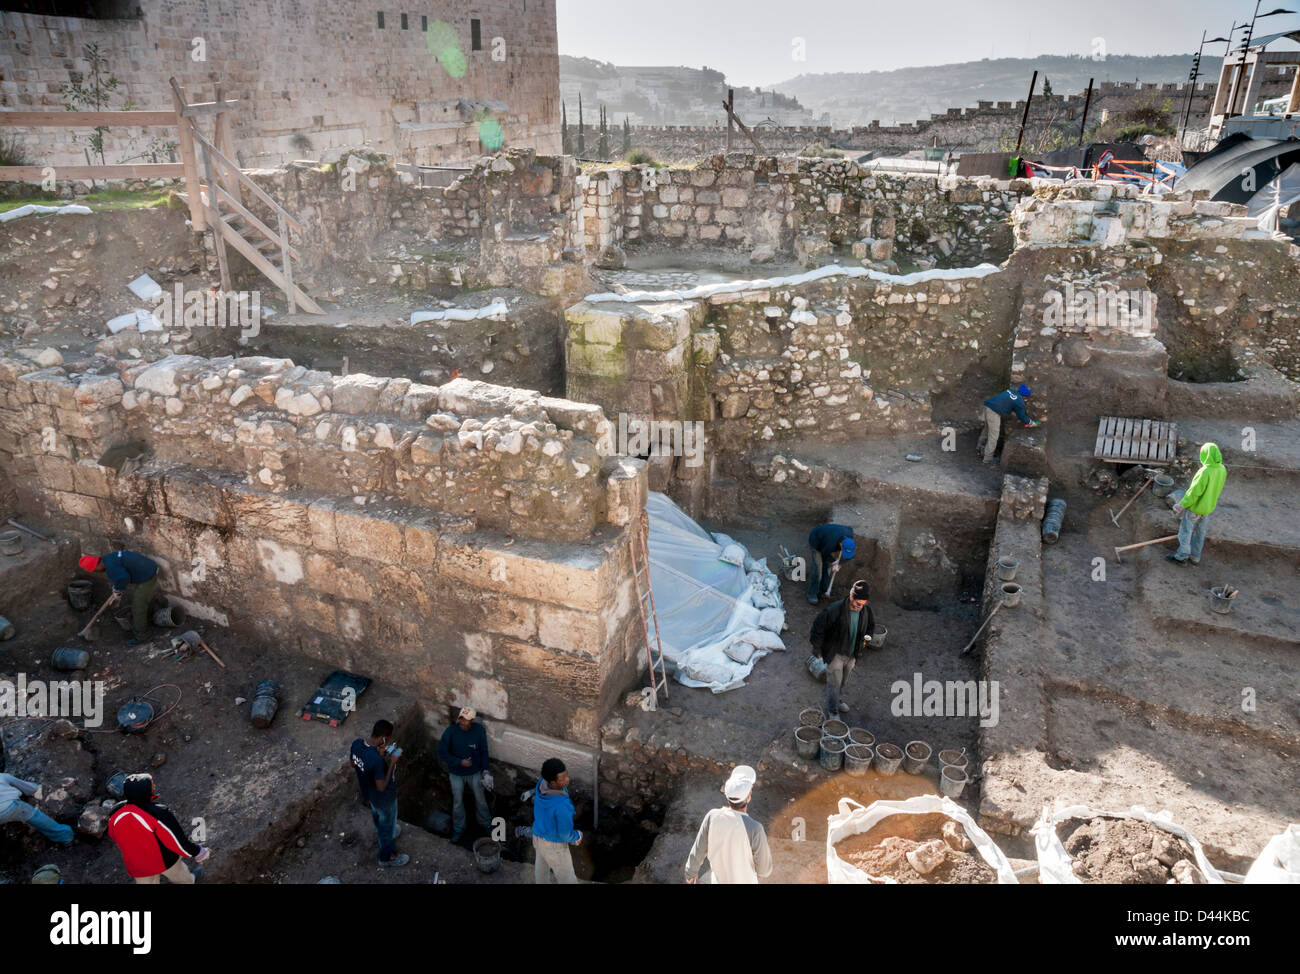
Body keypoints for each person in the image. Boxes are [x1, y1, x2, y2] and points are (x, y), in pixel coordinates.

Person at [107, 773, 209, 884]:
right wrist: (198, 852)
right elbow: (177, 841)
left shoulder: (115, 815)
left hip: (138, 867)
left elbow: (115, 836)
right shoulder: (157, 813)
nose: (154, 786)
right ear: (144, 792)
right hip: (164, 861)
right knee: (181, 876)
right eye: (152, 785)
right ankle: (190, 881)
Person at [684, 765, 773, 884]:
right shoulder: (755, 828)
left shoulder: (712, 816)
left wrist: (691, 873)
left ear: (727, 796)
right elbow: (764, 871)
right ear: (749, 798)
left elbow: (698, 850)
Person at [810, 579, 875, 718]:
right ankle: (832, 711)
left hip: (852, 654)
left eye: (863, 605)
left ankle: (838, 701)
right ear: (851, 597)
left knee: (843, 681)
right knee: (834, 683)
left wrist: (867, 637)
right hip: (836, 653)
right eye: (858, 604)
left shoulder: (865, 610)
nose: (860, 607)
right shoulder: (835, 610)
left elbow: (870, 626)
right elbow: (818, 627)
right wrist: (817, 647)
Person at [350, 719, 408, 867]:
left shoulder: (357, 744)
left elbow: (353, 764)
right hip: (384, 798)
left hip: (369, 794)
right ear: (383, 738)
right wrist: (392, 763)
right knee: (387, 827)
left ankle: (386, 832)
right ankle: (387, 858)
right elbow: (382, 787)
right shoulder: (376, 760)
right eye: (386, 739)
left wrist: (380, 756)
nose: (386, 741)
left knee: (379, 819)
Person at [1167, 442, 1227, 567]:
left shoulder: (1205, 472)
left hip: (1195, 508)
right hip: (1208, 508)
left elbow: (1194, 493)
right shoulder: (1222, 469)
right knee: (1200, 533)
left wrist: (1181, 505)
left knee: (1185, 532)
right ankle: (1195, 557)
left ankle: (1181, 557)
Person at [79, 550, 159, 645]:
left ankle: (142, 637)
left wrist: (117, 589)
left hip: (148, 575)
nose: (97, 572)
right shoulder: (108, 558)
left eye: (95, 570)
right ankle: (147, 617)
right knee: (140, 599)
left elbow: (124, 578)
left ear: (97, 566)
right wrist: (117, 588)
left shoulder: (110, 568)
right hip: (147, 568)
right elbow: (122, 575)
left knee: (138, 607)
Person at [437, 707, 492, 844]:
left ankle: (486, 825)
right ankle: (458, 829)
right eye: (461, 719)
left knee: (481, 800)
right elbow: (442, 752)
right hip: (456, 773)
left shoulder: (478, 731)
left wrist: (486, 772)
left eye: (466, 721)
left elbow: (484, 751)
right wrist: (459, 762)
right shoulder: (451, 731)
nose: (462, 723)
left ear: (472, 721)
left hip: (475, 772)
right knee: (457, 802)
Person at [531, 758, 582, 884]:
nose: (567, 779)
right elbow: (564, 834)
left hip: (538, 837)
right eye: (562, 779)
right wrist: (577, 836)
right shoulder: (561, 805)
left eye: (566, 775)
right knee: (568, 880)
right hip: (554, 847)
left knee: (541, 874)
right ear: (552, 783)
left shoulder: (541, 785)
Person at [0, 772, 74, 845]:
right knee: (36, 817)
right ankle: (65, 837)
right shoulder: (2, 776)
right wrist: (35, 788)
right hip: (11, 805)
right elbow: (28, 788)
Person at [978, 384, 1041, 464]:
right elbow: (1022, 416)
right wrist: (1031, 423)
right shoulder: (1019, 401)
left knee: (986, 429)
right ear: (1024, 396)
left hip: (988, 406)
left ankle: (979, 446)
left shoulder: (1010, 391)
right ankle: (988, 459)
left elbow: (1007, 402)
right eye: (1026, 398)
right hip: (994, 413)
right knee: (994, 436)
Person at [806, 523, 855, 605]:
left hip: (828, 538)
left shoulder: (849, 537)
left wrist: (839, 564)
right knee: (818, 569)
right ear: (841, 545)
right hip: (816, 540)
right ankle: (812, 593)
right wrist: (833, 562)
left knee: (826, 566)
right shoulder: (831, 543)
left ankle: (824, 589)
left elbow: (848, 557)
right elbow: (824, 554)